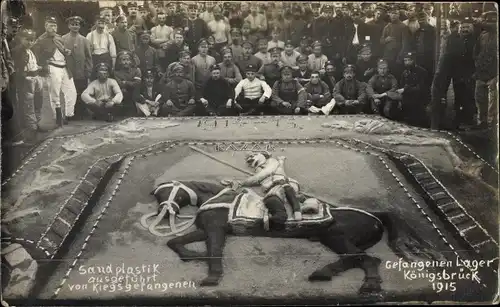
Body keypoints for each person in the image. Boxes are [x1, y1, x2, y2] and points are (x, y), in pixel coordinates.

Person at [233, 152, 303, 231]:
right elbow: (258, 178)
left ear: (263, 155)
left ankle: (296, 211)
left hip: (283, 187)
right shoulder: (260, 169)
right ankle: (262, 222)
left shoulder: (271, 162)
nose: (251, 158)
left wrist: (242, 183)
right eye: (249, 159)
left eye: (254, 155)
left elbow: (261, 175)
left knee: (288, 190)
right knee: (281, 216)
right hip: (273, 193)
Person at [32, 16, 77, 125]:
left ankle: (68, 115)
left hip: (64, 67)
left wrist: (67, 52)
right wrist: (43, 66)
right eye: (51, 25)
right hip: (52, 67)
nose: (53, 28)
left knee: (72, 91)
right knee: (55, 94)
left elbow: (63, 51)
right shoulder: (40, 40)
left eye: (55, 25)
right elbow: (36, 57)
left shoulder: (59, 38)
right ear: (45, 26)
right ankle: (57, 117)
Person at [11, 28, 42, 144]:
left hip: (35, 78)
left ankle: (36, 126)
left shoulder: (31, 50)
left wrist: (38, 69)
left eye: (32, 40)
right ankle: (31, 131)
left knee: (38, 103)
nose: (30, 42)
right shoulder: (17, 51)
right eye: (27, 40)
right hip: (27, 80)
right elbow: (17, 68)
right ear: (21, 39)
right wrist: (25, 77)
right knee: (28, 106)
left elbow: (32, 63)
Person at [62, 16, 93, 120]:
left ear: (79, 26)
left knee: (81, 91)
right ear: (68, 26)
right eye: (73, 24)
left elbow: (88, 57)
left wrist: (88, 70)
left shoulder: (84, 40)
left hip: (81, 71)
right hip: (68, 71)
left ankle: (80, 113)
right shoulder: (63, 39)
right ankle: (69, 113)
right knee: (69, 92)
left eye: (77, 24)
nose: (75, 26)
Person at [473, 12, 498, 129]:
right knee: (480, 99)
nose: (490, 24)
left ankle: (491, 124)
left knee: (493, 101)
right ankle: (482, 122)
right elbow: (476, 51)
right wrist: (477, 63)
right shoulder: (483, 35)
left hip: (494, 73)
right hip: (482, 72)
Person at [398, 52, 428, 127]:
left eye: (409, 60)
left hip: (418, 100)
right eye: (405, 61)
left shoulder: (422, 71)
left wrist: (406, 90)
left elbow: (421, 88)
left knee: (417, 122)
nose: (407, 62)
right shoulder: (404, 73)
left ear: (413, 60)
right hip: (407, 100)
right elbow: (401, 85)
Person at [114, 51, 142, 116]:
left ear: (131, 61)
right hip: (124, 93)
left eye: (128, 60)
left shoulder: (137, 70)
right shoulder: (116, 72)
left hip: (135, 93)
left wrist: (126, 82)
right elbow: (120, 84)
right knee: (123, 91)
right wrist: (131, 82)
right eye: (123, 60)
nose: (126, 62)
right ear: (119, 61)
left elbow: (137, 83)